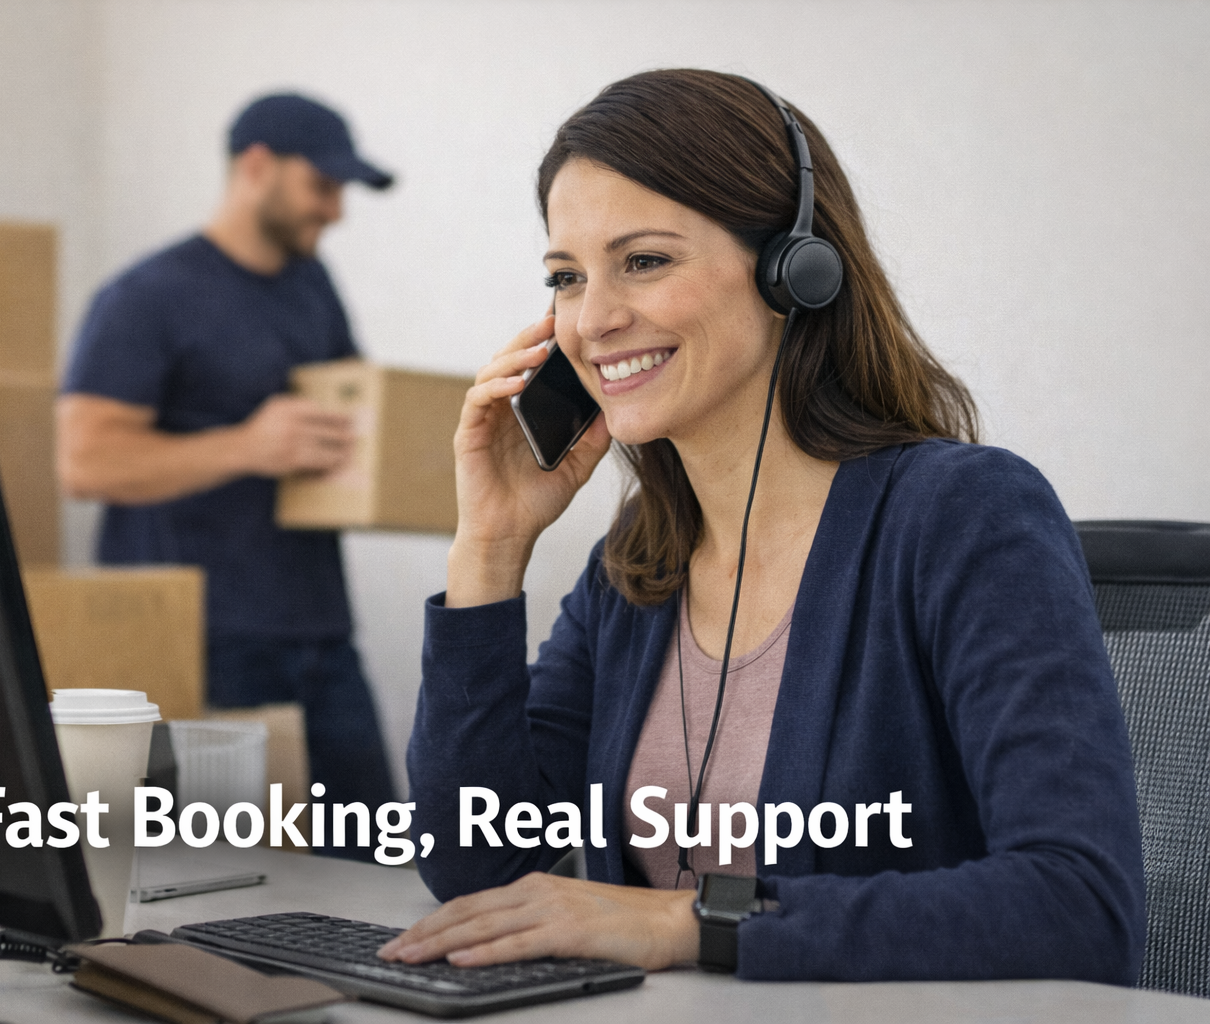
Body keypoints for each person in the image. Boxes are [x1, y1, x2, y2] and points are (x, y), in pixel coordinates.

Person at [382, 70, 1145, 980]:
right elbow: (479, 869)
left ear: (794, 269)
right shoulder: (637, 563)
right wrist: (491, 546)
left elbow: (1079, 906)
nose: (593, 320)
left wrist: (689, 924)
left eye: (644, 261)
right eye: (566, 278)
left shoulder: (963, 516)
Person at [57, 93, 398, 844]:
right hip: (207, 641)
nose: (335, 211)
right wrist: (246, 446)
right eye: (322, 186)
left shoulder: (312, 286)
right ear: (256, 167)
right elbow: (84, 462)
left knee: (379, 862)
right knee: (230, 883)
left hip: (320, 630)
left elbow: (352, 411)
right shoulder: (146, 298)